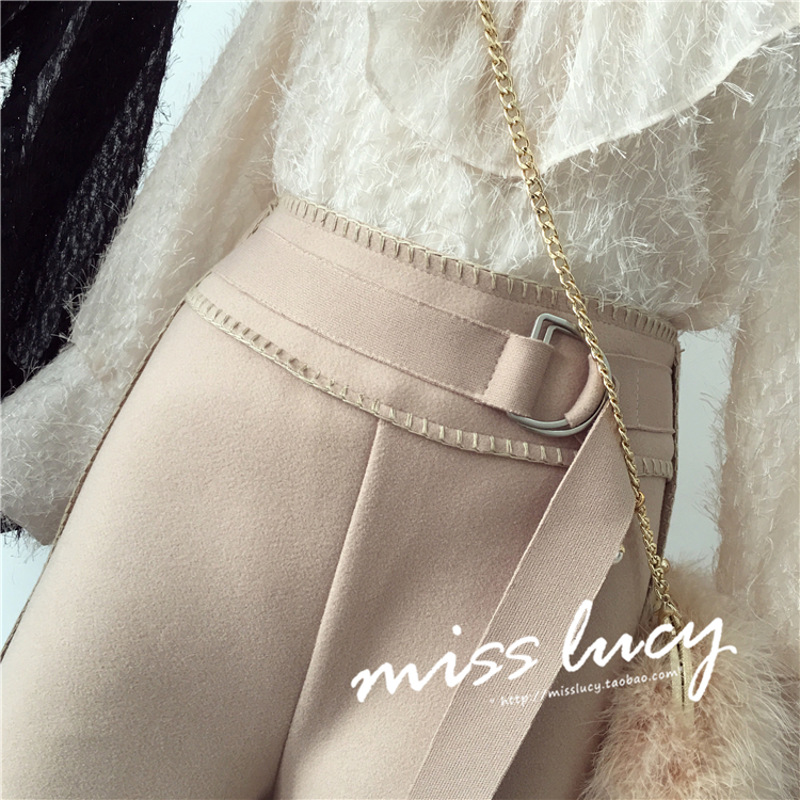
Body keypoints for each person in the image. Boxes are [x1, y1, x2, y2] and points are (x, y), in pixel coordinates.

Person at [2, 2, 798, 798]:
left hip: (546, 514)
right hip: (232, 418)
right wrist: (100, 378)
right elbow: (250, 88)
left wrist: (781, 641)